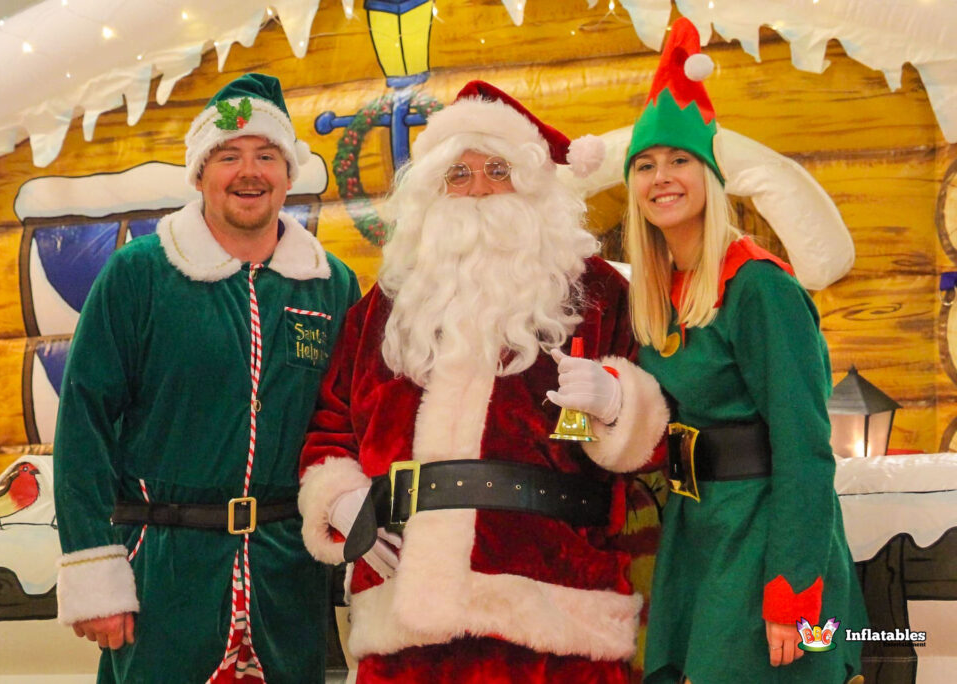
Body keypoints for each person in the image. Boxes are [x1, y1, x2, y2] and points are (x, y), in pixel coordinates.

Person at [296, 80, 668, 683]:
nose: (477, 189)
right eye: (458, 174)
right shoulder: (385, 307)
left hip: (558, 607)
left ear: (533, 183)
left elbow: (660, 441)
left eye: (497, 169)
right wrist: (341, 501)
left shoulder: (600, 295)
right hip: (405, 614)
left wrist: (619, 402)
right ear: (432, 192)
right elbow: (331, 424)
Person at [53, 73, 360, 683]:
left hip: (286, 577)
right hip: (164, 571)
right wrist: (96, 569)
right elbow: (84, 419)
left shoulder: (331, 286)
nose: (250, 172)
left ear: (289, 172)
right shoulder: (140, 275)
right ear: (199, 174)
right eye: (229, 156)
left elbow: (352, 419)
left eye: (266, 155)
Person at [620, 19, 867, 684]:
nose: (661, 177)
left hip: (763, 537)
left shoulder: (757, 287)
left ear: (711, 176)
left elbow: (805, 445)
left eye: (679, 161)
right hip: (696, 532)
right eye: (645, 165)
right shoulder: (654, 300)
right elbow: (634, 418)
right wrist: (579, 417)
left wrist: (791, 590)